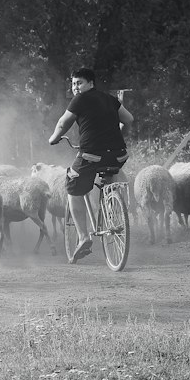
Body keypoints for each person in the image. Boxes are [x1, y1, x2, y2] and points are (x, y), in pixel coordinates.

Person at [48, 67, 133, 261]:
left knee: (72, 186)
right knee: (107, 177)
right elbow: (129, 120)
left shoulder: (80, 100)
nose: (76, 87)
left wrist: (53, 138)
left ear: (91, 84)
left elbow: (63, 124)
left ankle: (83, 237)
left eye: (80, 83)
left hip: (92, 155)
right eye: (73, 84)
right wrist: (118, 133)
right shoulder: (110, 99)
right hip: (119, 155)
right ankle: (111, 211)